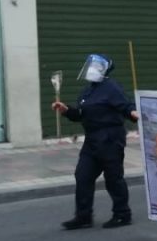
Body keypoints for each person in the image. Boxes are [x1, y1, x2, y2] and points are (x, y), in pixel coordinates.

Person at [52, 54, 138, 229]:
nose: (91, 69)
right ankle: (83, 216)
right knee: (83, 175)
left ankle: (122, 214)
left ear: (104, 70)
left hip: (110, 139)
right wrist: (67, 110)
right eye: (91, 66)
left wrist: (135, 113)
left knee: (113, 178)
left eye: (96, 67)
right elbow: (81, 115)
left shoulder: (111, 87)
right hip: (92, 140)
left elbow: (126, 106)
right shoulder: (88, 90)